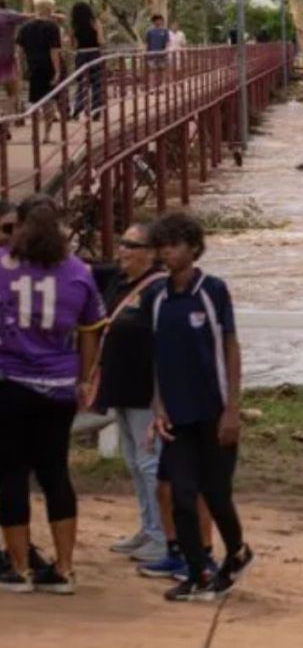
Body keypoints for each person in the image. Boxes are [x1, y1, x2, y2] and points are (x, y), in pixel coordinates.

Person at [0, 195, 106, 594]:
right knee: (55, 473)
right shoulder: (78, 272)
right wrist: (84, 378)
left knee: (11, 475)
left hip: (11, 382)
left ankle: (20, 569)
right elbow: (90, 329)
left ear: (21, 225)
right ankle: (64, 569)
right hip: (60, 387)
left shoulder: (2, 268)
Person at [147, 212, 254, 602]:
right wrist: (158, 407)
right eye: (162, 246)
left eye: (174, 245)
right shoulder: (157, 298)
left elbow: (230, 346)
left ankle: (238, 550)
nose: (167, 252)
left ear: (193, 247)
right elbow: (157, 358)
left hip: (213, 412)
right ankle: (198, 572)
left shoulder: (212, 290)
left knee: (217, 493)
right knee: (181, 496)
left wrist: (232, 408)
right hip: (177, 415)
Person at [89, 224, 169, 565]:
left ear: (152, 252)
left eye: (132, 245)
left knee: (151, 463)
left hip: (145, 392)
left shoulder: (158, 290)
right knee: (134, 462)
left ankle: (164, 537)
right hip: (120, 387)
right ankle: (148, 527)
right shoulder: (118, 281)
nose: (122, 250)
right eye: (122, 242)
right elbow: (75, 267)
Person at [17, 0, 63, 135]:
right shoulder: (52, 27)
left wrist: (21, 68)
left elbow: (20, 51)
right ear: (49, 9)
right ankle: (46, 135)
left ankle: (35, 132)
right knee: (49, 101)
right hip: (47, 66)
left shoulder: (25, 27)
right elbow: (54, 51)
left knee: (35, 101)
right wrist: (57, 70)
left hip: (33, 66)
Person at [68, 2, 105, 119]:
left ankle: (77, 109)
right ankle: (96, 110)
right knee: (96, 83)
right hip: (94, 53)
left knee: (82, 83)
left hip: (81, 54)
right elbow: (100, 41)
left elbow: (72, 44)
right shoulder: (95, 23)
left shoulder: (74, 26)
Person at [0, 0, 30, 114]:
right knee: (12, 92)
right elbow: (28, 17)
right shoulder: (7, 14)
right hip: (6, 59)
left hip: (7, 58)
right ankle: (5, 121)